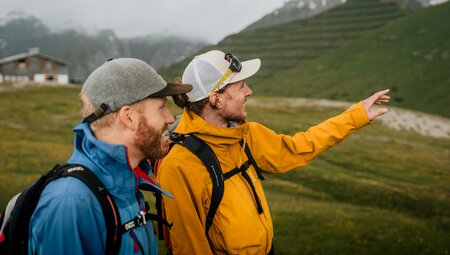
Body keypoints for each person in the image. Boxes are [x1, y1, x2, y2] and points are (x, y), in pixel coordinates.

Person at [156, 50, 390, 254]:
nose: (249, 91)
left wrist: (356, 116)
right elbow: (189, 249)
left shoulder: (244, 135)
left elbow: (298, 148)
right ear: (215, 99)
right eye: (240, 86)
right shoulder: (179, 165)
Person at [28, 58, 192, 254]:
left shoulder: (127, 183)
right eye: (160, 108)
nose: (170, 118)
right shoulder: (70, 204)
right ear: (129, 117)